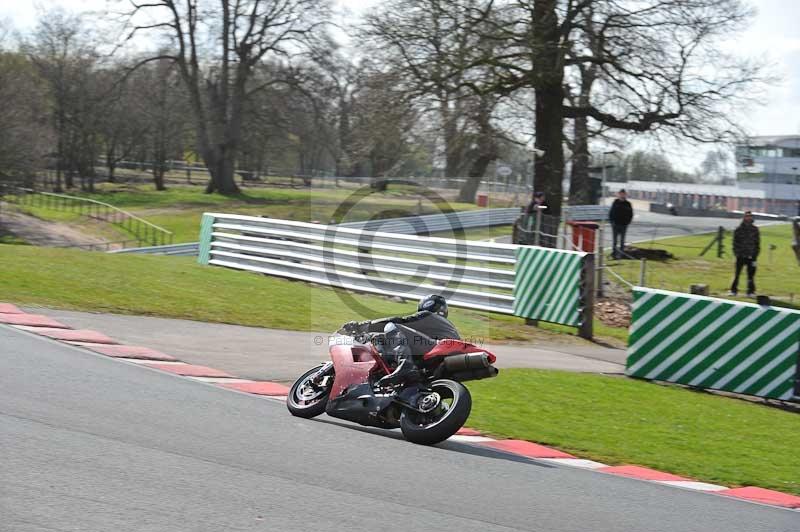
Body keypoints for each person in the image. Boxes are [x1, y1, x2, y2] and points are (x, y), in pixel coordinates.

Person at [343, 295, 459, 388]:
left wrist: (364, 326)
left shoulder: (427, 315)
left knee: (392, 326)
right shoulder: (445, 326)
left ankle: (405, 365)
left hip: (437, 348)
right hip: (442, 358)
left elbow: (401, 321)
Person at [730, 211, 760, 297]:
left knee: (751, 275)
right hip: (740, 255)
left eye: (750, 216)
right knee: (737, 274)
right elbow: (734, 243)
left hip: (751, 256)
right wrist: (737, 253)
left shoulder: (755, 229)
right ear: (744, 217)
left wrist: (755, 254)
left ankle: (750, 292)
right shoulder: (738, 229)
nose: (748, 218)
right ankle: (733, 290)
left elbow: (757, 243)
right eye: (747, 216)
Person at [609, 189, 634, 259]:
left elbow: (631, 214)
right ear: (619, 194)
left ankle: (621, 255)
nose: (622, 195)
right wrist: (612, 222)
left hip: (624, 225)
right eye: (621, 194)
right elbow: (611, 212)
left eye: (623, 194)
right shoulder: (615, 202)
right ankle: (614, 254)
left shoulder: (628, 204)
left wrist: (627, 222)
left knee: (622, 241)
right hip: (615, 225)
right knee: (615, 241)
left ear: (625, 194)